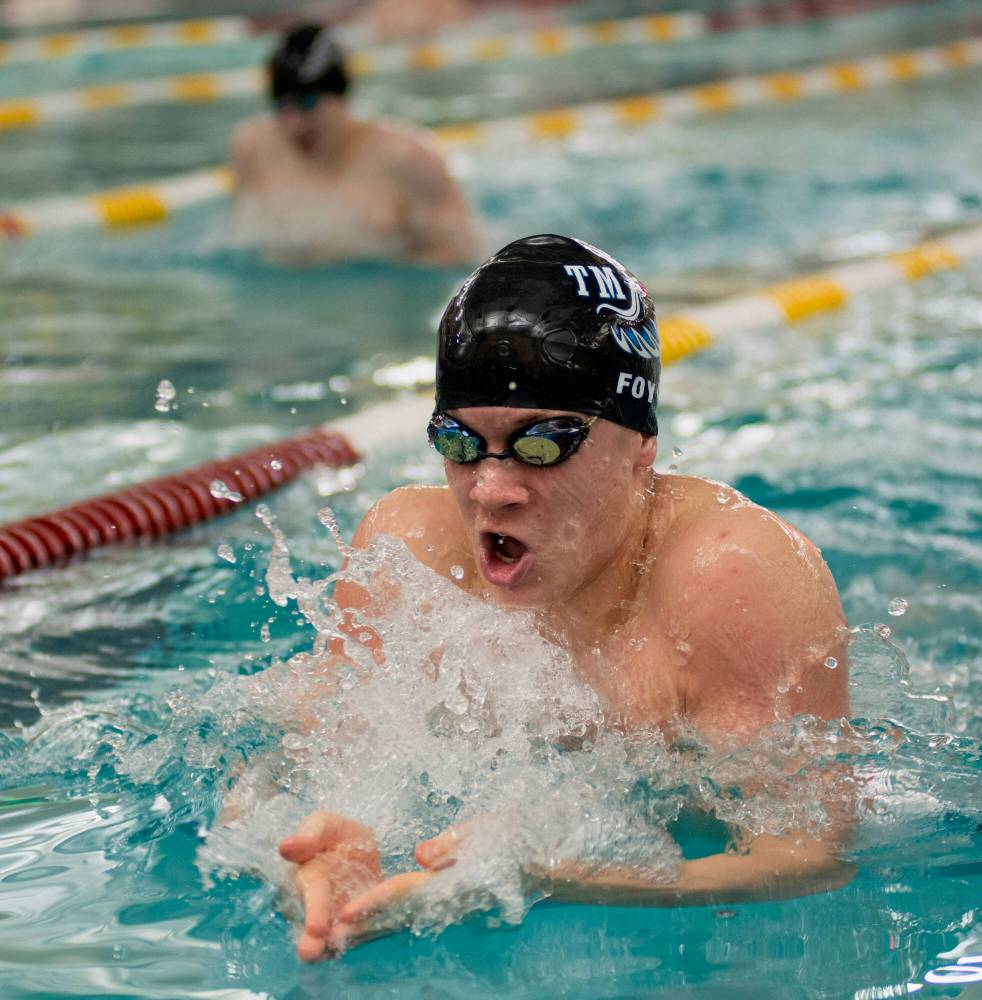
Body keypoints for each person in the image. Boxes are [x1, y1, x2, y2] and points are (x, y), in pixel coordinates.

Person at [274, 234, 853, 961]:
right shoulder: (406, 554)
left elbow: (804, 857)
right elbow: (285, 764)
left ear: (641, 445)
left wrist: (562, 877)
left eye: (543, 444)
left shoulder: (730, 578)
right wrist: (302, 862)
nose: (491, 489)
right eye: (458, 441)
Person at [229, 23, 481, 267]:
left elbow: (462, 252)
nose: (294, 124)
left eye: (308, 104)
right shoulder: (253, 148)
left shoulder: (405, 158)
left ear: (342, 96)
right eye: (283, 107)